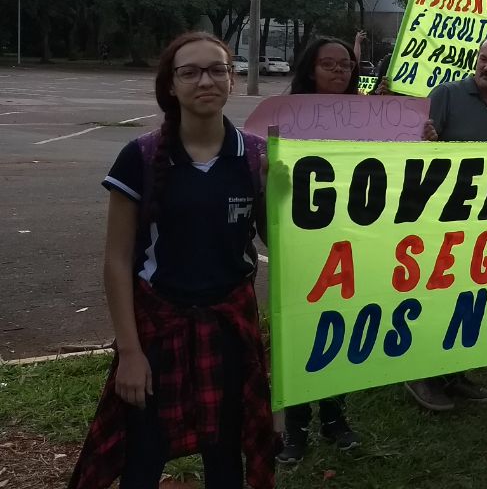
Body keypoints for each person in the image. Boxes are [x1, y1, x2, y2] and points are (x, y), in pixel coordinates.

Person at [69, 32, 274, 489]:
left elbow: (275, 242)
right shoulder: (139, 157)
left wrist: (277, 190)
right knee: (144, 456)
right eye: (190, 72)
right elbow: (117, 260)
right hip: (158, 330)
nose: (206, 81)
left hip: (228, 329)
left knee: (225, 455)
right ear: (171, 85)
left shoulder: (256, 155)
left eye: (217, 70)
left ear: (232, 79)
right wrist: (130, 352)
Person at [402, 38, 487, 412]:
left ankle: (453, 373)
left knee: (466, 298)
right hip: (441, 218)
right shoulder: (447, 94)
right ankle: (419, 374)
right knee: (435, 296)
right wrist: (427, 141)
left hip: (482, 222)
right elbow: (414, 147)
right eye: (484, 59)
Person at [276, 37, 362, 464]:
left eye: (345, 64)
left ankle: (334, 417)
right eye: (329, 64)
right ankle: (294, 428)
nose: (339, 71)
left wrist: (421, 138)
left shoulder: (370, 116)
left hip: (351, 239)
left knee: (339, 329)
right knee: (298, 335)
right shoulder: (286, 115)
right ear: (311, 69)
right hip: (301, 243)